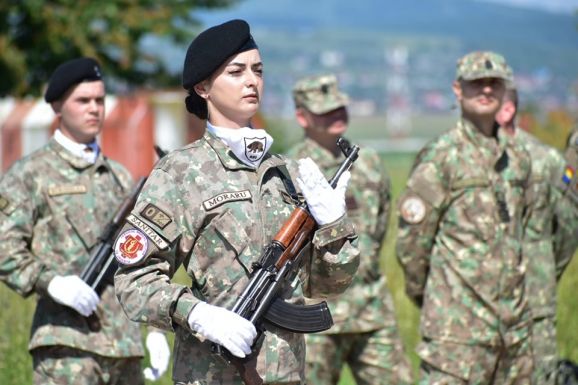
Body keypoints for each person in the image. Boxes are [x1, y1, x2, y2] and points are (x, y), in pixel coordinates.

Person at [112, 19, 359, 385]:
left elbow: (327, 286)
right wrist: (197, 314)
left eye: (258, 70)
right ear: (203, 87)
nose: (251, 81)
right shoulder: (180, 173)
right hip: (210, 374)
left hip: (286, 374)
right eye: (236, 71)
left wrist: (336, 228)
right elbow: (134, 281)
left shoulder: (286, 173)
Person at [0, 57, 170, 384]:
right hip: (67, 345)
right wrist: (50, 282)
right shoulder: (30, 174)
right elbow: (4, 247)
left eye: (99, 100)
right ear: (58, 107)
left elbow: (140, 261)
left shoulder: (120, 177)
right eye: (82, 100)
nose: (94, 109)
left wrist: (155, 327)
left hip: (124, 348)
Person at [396, 51, 533, 384]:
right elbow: (412, 246)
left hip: (512, 338)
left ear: (504, 91)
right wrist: (436, 300)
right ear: (458, 90)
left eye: (494, 83)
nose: (486, 90)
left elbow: (523, 233)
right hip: (455, 339)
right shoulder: (441, 158)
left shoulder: (517, 159)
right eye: (476, 84)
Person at [286, 74, 413, 385]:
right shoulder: (290, 169)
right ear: (302, 116)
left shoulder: (368, 162)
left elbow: (380, 225)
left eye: (340, 108)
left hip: (371, 310)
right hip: (315, 315)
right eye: (325, 111)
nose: (336, 116)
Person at [496, 82, 578, 384]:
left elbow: (568, 226)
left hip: (531, 303)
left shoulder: (545, 162)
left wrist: (542, 269)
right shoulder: (460, 159)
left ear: (507, 110)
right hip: (476, 305)